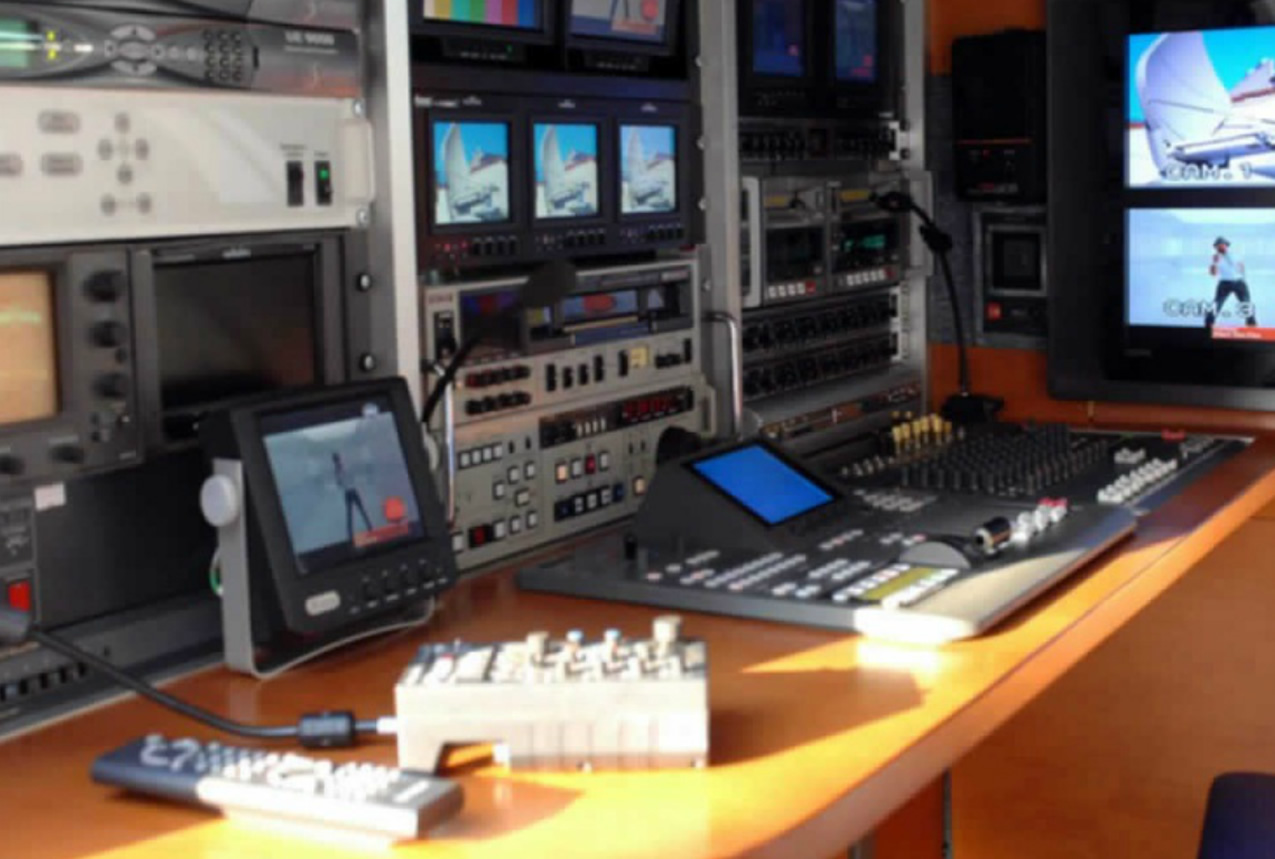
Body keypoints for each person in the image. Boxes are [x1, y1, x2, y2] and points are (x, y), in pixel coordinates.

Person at [1205, 237, 1258, 329]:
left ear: (1226, 245)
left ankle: (1252, 325)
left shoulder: (1236, 254)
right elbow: (1213, 273)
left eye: (1221, 245)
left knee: (1246, 303)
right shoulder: (1215, 257)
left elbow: (1241, 267)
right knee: (1217, 303)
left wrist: (1242, 278)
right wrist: (1215, 263)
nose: (1219, 247)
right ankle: (1208, 324)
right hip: (1224, 283)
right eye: (1217, 246)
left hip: (1239, 282)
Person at [332, 452, 372, 542]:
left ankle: (350, 532)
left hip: (347, 492)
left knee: (350, 513)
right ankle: (369, 526)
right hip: (352, 491)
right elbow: (352, 476)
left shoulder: (337, 470)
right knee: (360, 509)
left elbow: (339, 484)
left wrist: (342, 481)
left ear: (334, 461)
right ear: (339, 458)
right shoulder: (344, 466)